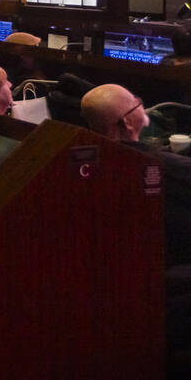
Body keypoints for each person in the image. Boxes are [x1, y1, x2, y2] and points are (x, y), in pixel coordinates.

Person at [82, 83, 191, 266]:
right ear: (127, 122)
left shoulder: (86, 161)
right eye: (136, 103)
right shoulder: (164, 167)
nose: (142, 105)